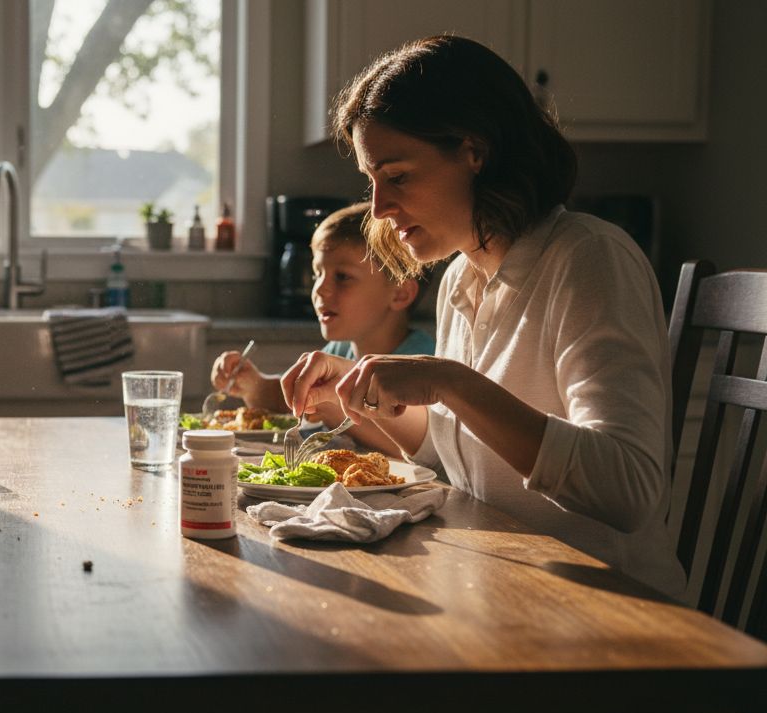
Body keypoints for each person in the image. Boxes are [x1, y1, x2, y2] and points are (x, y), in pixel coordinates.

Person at [280, 36, 684, 597]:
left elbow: (629, 489)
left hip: (610, 614)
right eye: (372, 181)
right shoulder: (460, 281)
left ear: (475, 151)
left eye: (396, 176)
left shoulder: (590, 258)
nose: (377, 208)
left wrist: (450, 382)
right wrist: (352, 393)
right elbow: (451, 457)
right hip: (501, 586)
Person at [209, 202, 433, 453]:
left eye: (342, 277)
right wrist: (254, 385)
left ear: (400, 294)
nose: (320, 289)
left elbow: (421, 448)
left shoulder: (421, 363)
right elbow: (292, 398)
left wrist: (331, 406)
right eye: (317, 274)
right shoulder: (340, 350)